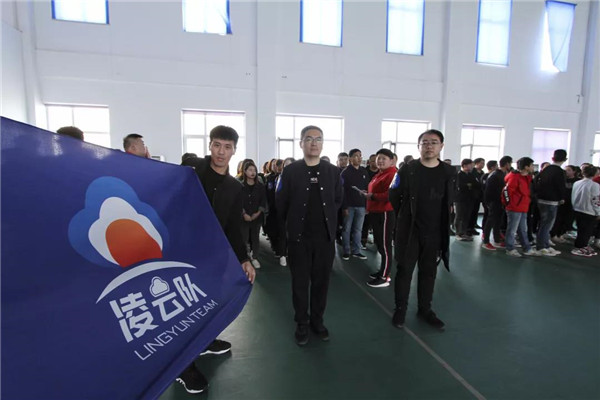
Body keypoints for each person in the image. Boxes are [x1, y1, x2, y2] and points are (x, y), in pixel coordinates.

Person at [178, 126, 256, 394]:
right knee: (185, 311)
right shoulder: (192, 170)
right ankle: (184, 367)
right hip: (182, 254)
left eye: (227, 147)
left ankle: (205, 341)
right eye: (217, 145)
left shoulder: (234, 187)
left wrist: (244, 258)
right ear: (209, 145)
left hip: (212, 256)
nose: (221, 152)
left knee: (207, 304)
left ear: (235, 150)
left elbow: (234, 227)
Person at [276, 125, 343, 346]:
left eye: (318, 139)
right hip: (299, 239)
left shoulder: (333, 172)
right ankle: (302, 323)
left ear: (323, 144)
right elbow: (281, 202)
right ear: (301, 143)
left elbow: (337, 200)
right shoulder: (290, 171)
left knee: (322, 283)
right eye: (309, 139)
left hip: (324, 239)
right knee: (300, 283)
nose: (314, 143)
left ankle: (317, 321)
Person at [389, 129, 456, 330]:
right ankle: (400, 309)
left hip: (435, 232)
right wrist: (404, 216)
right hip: (410, 231)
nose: (429, 146)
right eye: (424, 142)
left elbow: (450, 199)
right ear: (418, 146)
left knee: (429, 272)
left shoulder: (449, 172)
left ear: (441, 146)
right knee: (404, 271)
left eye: (433, 142)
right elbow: (393, 194)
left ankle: (425, 309)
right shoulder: (408, 169)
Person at [364, 148, 397, 287]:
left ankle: (384, 277)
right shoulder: (379, 174)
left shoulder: (393, 174)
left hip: (385, 213)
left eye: (384, 158)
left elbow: (391, 194)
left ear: (391, 161)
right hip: (376, 211)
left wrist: (372, 196)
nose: (380, 161)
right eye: (378, 158)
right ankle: (382, 271)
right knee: (379, 243)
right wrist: (368, 195)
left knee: (385, 245)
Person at [503, 157, 540, 257]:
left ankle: (527, 248)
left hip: (523, 207)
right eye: (531, 165)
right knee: (512, 230)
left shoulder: (527, 177)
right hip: (515, 208)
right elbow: (506, 192)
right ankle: (510, 248)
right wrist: (509, 204)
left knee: (523, 229)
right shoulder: (514, 177)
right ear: (526, 167)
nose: (533, 167)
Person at [535, 149, 567, 256]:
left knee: (543, 224)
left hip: (541, 200)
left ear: (553, 158)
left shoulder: (546, 169)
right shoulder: (560, 172)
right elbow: (561, 187)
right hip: (551, 201)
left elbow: (536, 181)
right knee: (546, 225)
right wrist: (561, 198)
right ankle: (542, 246)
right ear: (565, 159)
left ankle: (545, 245)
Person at [340, 149, 369, 260]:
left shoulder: (364, 171)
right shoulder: (345, 173)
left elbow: (367, 188)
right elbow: (342, 191)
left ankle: (356, 251)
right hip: (349, 206)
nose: (359, 158)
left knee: (358, 229)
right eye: (356, 156)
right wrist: (344, 207)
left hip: (361, 205)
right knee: (346, 229)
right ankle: (346, 251)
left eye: (360, 155)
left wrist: (367, 205)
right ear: (350, 158)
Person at [481, 157, 512, 250]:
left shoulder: (503, 174)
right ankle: (486, 242)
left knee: (498, 221)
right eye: (510, 163)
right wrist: (488, 203)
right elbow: (488, 190)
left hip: (500, 202)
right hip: (494, 202)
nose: (510, 166)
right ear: (507, 164)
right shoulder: (496, 175)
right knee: (490, 221)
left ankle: (497, 240)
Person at [241, 161, 267, 268]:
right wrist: (244, 213)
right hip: (244, 217)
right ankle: (244, 258)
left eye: (254, 170)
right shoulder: (240, 186)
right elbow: (238, 202)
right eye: (250, 170)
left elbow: (263, 201)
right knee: (244, 238)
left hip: (256, 216)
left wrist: (258, 213)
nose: (253, 172)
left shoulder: (260, 186)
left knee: (255, 237)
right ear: (245, 171)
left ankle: (255, 257)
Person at [570, 165, 600, 257]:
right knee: (586, 231)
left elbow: (573, 196)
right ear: (595, 174)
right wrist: (598, 212)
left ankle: (582, 245)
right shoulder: (595, 185)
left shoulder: (577, 183)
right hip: (589, 211)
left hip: (577, 209)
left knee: (580, 230)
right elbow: (595, 200)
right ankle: (580, 247)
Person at [455, 159, 477, 241]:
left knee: (466, 216)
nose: (472, 166)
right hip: (461, 199)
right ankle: (458, 233)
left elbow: (476, 184)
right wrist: (469, 185)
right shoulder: (459, 175)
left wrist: (470, 185)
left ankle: (464, 232)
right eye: (470, 165)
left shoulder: (471, 175)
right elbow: (461, 186)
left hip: (470, 198)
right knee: (460, 216)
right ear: (464, 165)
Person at [361, 154, 380, 248]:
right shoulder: (365, 171)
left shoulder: (381, 172)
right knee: (366, 222)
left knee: (376, 223)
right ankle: (363, 240)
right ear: (369, 162)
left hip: (378, 201)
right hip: (366, 200)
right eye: (373, 161)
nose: (375, 163)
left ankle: (377, 240)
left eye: (376, 161)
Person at [468, 158, 485, 234]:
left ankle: (474, 225)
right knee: (471, 212)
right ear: (476, 164)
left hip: (479, 195)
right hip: (472, 195)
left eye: (483, 163)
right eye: (481, 163)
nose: (483, 164)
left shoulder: (482, 173)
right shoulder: (472, 172)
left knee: (475, 211)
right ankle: (469, 228)